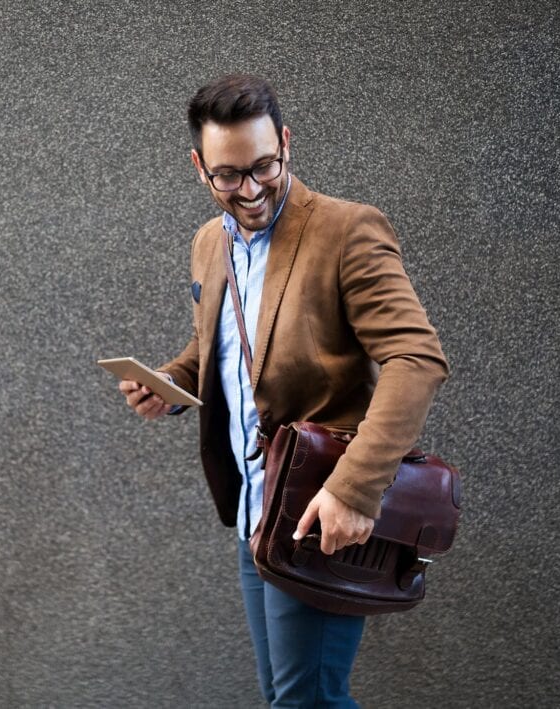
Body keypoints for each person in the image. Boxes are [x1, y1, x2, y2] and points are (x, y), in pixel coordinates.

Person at [118, 75, 449, 707]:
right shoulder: (209, 243)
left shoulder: (347, 231)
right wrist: (172, 381)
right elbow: (225, 353)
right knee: (287, 698)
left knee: (305, 702)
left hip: (319, 510)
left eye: (264, 166)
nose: (250, 190)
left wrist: (356, 489)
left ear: (286, 143)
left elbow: (416, 358)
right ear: (199, 167)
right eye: (228, 175)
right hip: (254, 511)